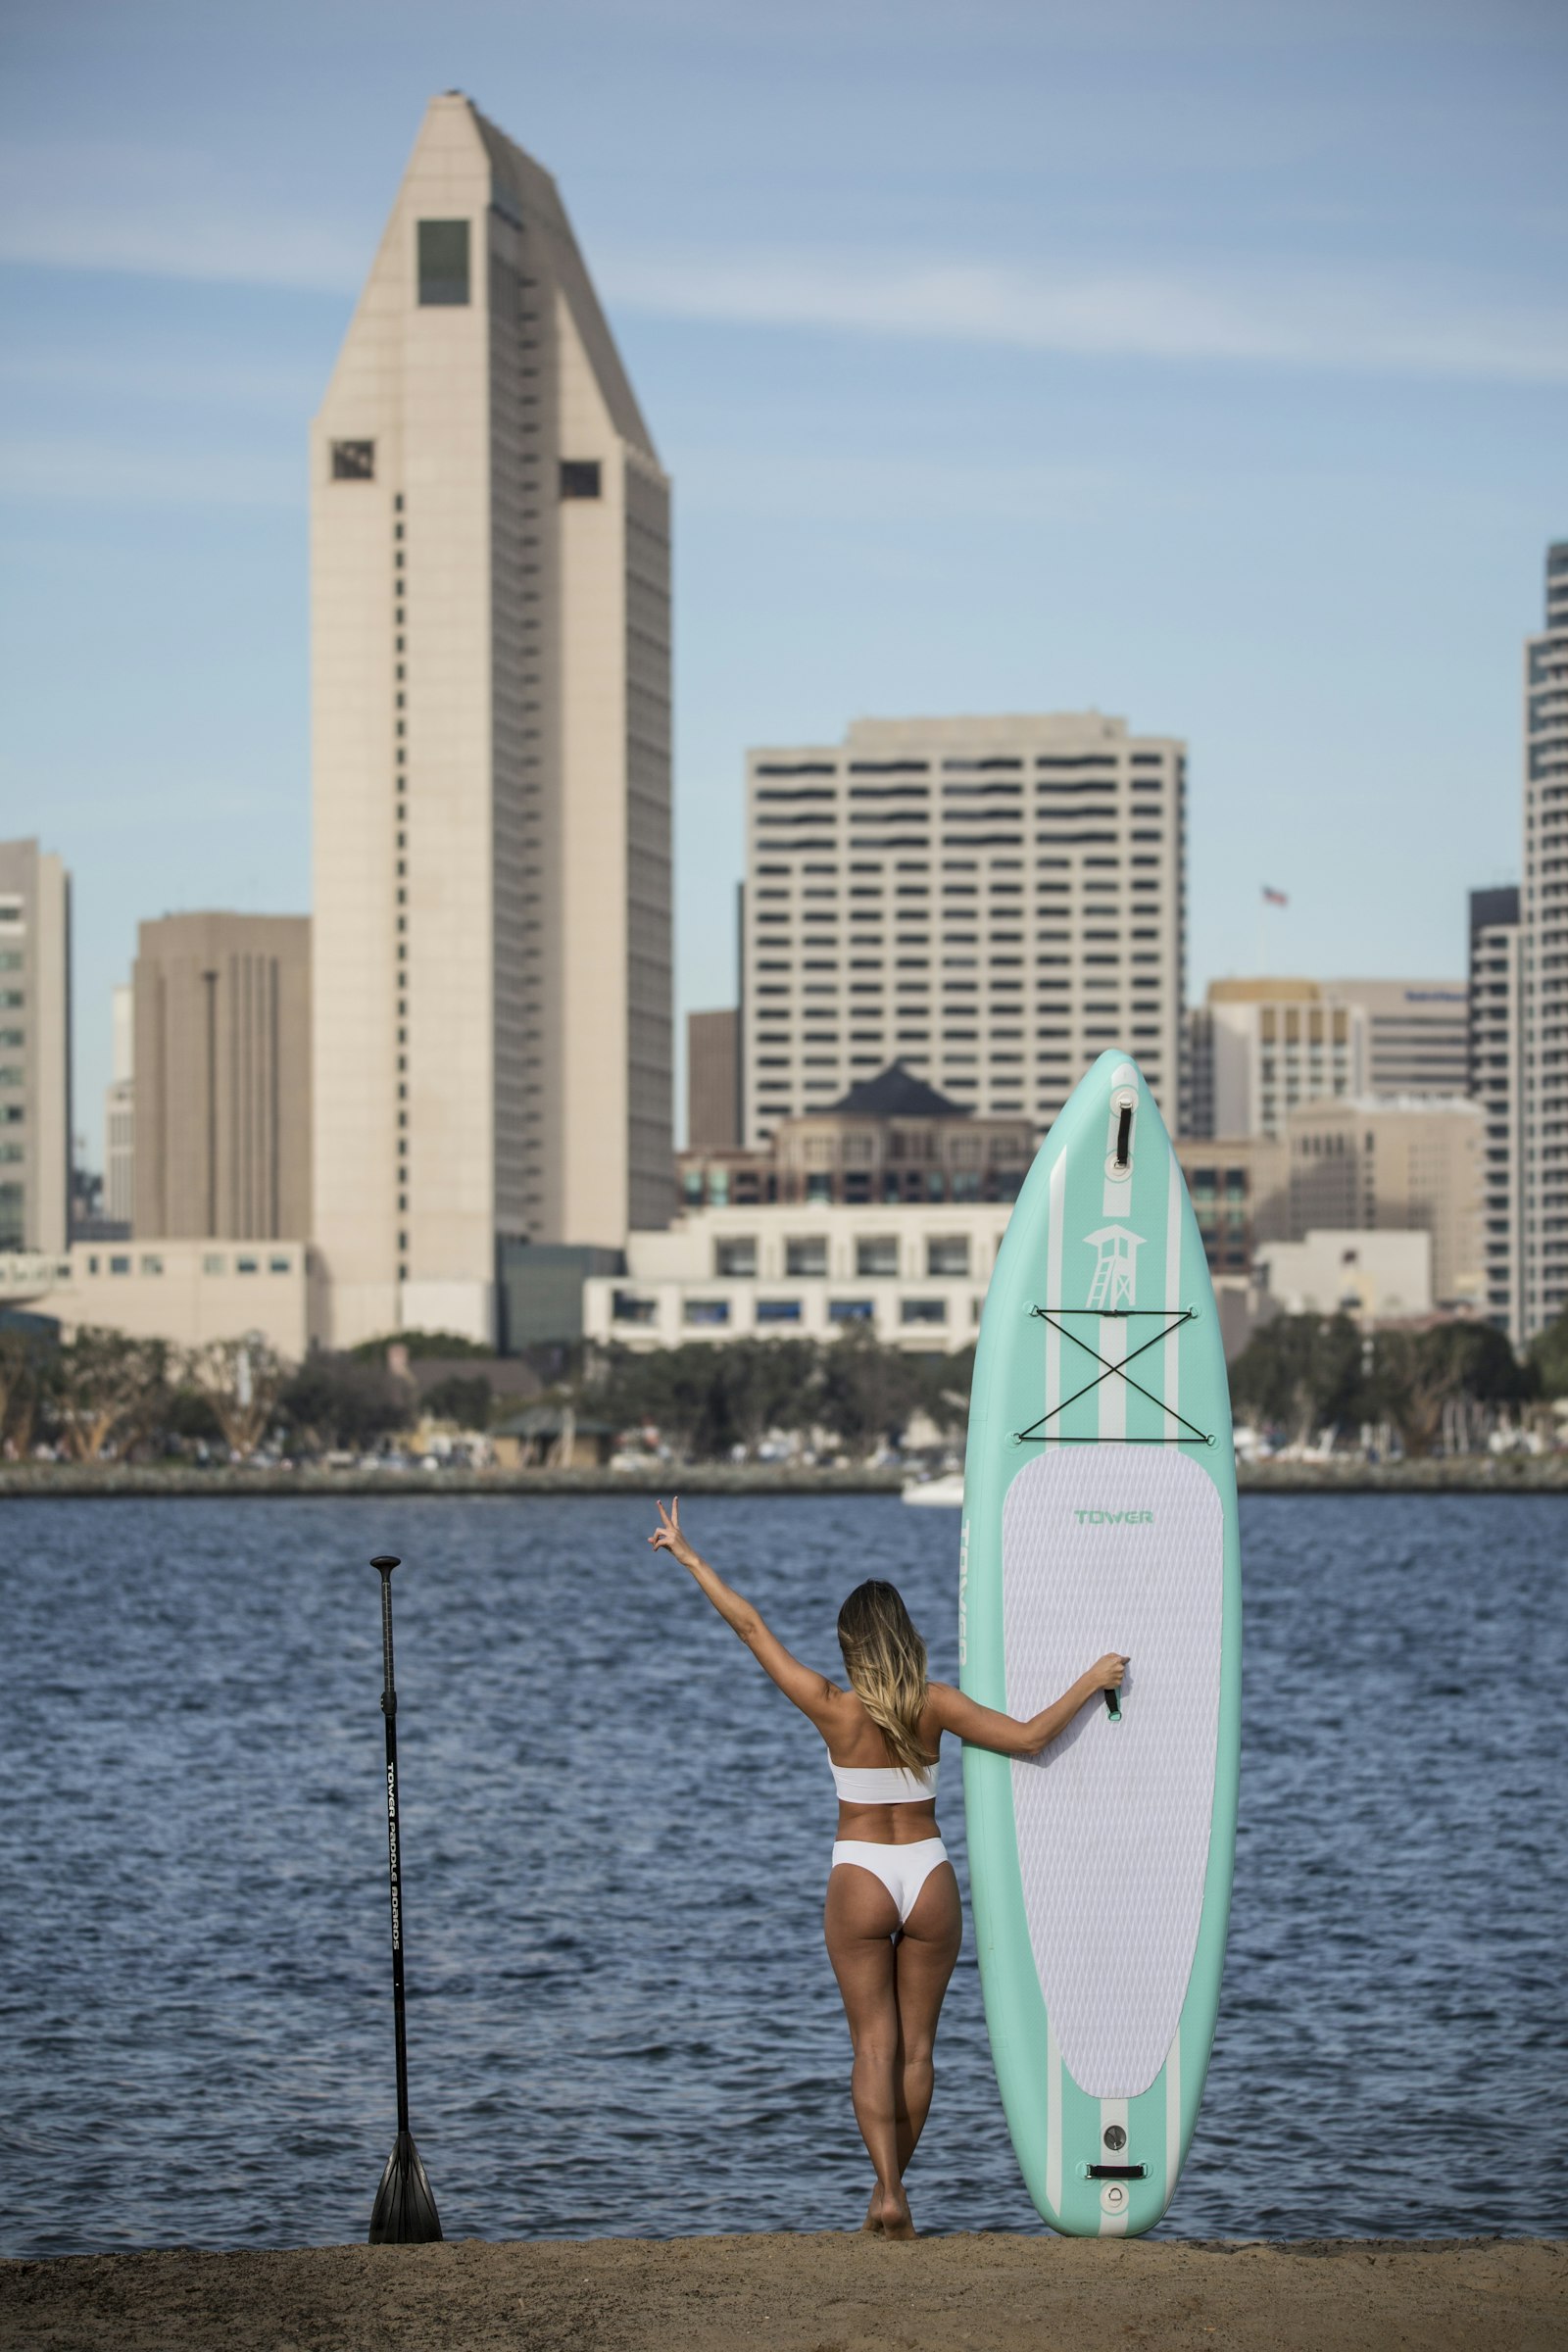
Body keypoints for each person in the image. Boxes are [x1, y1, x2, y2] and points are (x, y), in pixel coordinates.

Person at [648, 1496, 1127, 2238]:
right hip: (928, 1876)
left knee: (873, 2045)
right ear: (905, 1637)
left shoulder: (831, 1706)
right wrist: (1094, 1677)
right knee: (919, 2048)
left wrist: (691, 1557)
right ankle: (895, 2189)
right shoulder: (934, 1706)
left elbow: (750, 1627)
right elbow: (1033, 1739)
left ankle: (888, 2190)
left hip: (861, 1875)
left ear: (848, 1647)